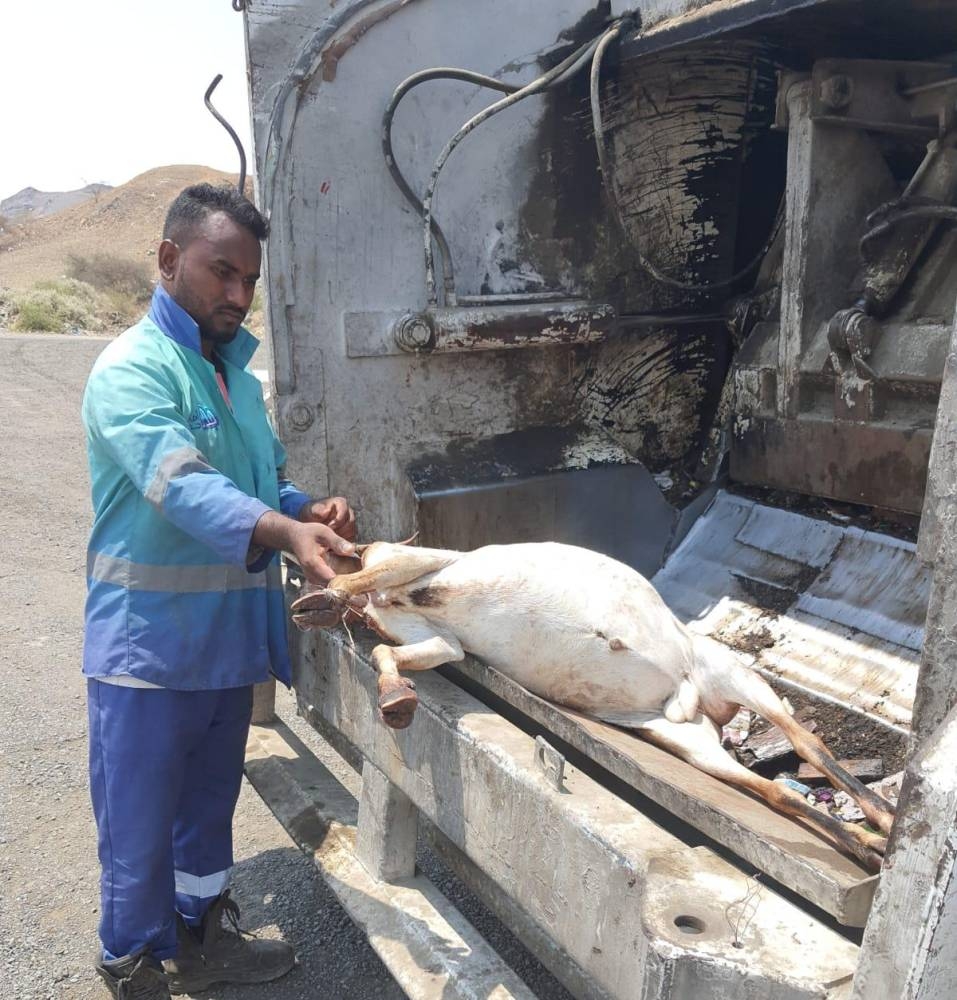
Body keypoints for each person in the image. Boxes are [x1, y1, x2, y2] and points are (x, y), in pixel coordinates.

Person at [82, 183, 356, 999]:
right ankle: (133, 963)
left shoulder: (231, 374)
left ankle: (201, 934)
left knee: (206, 809)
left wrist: (304, 508)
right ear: (169, 259)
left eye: (250, 280)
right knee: (138, 823)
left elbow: (259, 481)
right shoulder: (132, 370)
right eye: (221, 272)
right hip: (148, 649)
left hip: (225, 646)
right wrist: (283, 533)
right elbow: (182, 485)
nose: (238, 295)